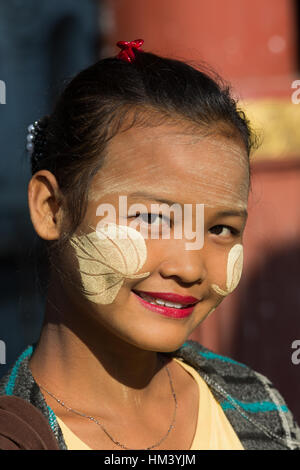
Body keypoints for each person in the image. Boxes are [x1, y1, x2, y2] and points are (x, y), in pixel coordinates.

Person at [0, 39, 300, 451]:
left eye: (221, 230)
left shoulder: (258, 408)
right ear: (53, 209)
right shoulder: (16, 436)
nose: (190, 268)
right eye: (153, 218)